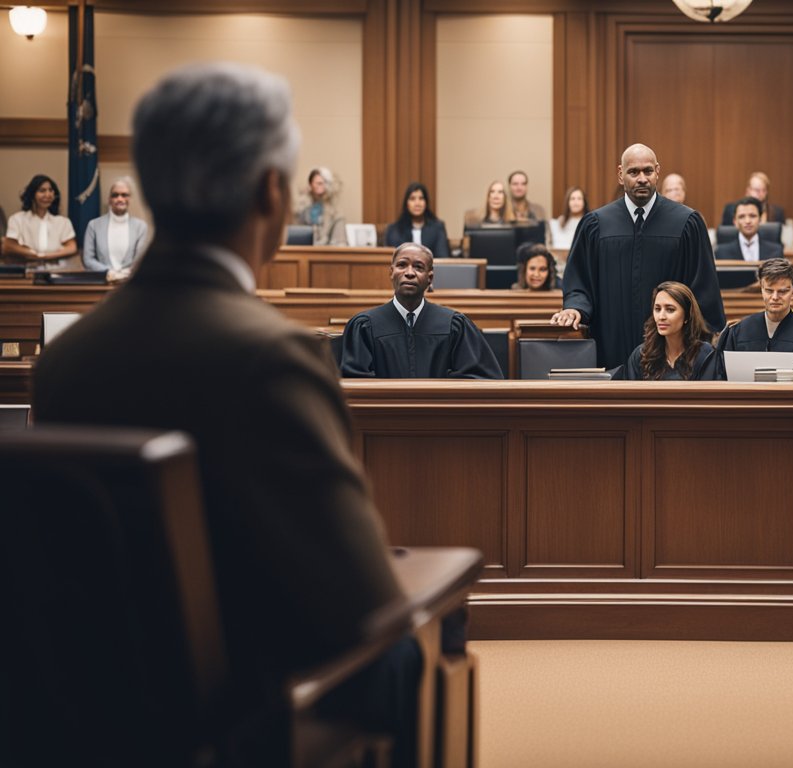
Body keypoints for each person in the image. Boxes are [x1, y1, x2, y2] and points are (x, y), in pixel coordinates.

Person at [30, 62, 422, 766]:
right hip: (230, 717)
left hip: (86, 708)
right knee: (405, 653)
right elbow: (355, 604)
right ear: (272, 191)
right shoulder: (274, 355)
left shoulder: (64, 361)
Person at [550, 143, 725, 369]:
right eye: (633, 172)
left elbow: (703, 287)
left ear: (657, 172)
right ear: (621, 175)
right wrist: (575, 307)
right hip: (610, 343)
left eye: (648, 171)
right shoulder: (597, 225)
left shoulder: (686, 223)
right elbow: (579, 280)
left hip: (672, 353)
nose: (642, 178)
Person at [341, 242, 502, 379]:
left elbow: (481, 380)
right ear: (391, 273)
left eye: (418, 267)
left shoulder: (454, 325)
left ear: (430, 278)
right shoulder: (365, 326)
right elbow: (353, 384)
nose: (409, 273)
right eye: (402, 265)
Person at [716, 257, 793, 356]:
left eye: (782, 291)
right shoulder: (739, 331)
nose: (775, 297)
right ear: (761, 290)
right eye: (769, 291)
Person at [613, 281, 724, 381]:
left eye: (670, 310)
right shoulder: (641, 355)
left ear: (687, 316)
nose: (661, 316)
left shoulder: (705, 355)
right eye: (657, 309)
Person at [3, 174, 78, 270]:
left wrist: (46, 256)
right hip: (26, 270)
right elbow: (8, 246)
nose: (48, 195)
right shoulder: (17, 219)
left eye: (51, 190)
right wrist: (33, 254)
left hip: (56, 270)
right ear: (32, 194)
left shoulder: (63, 222)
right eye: (42, 190)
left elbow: (72, 247)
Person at [82, 177, 150, 279]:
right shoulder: (93, 225)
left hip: (130, 283)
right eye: (115, 195)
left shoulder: (141, 226)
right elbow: (88, 259)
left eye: (124, 195)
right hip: (102, 282)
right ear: (109, 199)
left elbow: (139, 260)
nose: (120, 199)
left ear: (130, 199)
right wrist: (109, 272)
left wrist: (125, 274)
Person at [384, 182, 449, 260]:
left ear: (426, 203)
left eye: (421, 198)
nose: (417, 203)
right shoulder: (394, 230)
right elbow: (390, 261)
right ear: (406, 203)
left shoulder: (438, 228)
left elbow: (443, 258)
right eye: (412, 199)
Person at [715, 197, 784, 262]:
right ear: (735, 221)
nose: (747, 221)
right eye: (742, 217)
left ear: (760, 219)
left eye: (752, 216)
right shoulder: (721, 253)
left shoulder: (775, 252)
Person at [292, 166, 347, 245]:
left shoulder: (336, 213)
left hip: (328, 253)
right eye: (317, 183)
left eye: (323, 183)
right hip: (303, 252)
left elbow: (340, 242)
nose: (320, 186)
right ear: (310, 184)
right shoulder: (301, 208)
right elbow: (294, 235)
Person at [720, 171, 784, 225]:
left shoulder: (777, 212)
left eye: (764, 190)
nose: (761, 194)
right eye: (757, 190)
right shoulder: (731, 210)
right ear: (748, 190)